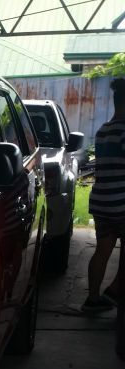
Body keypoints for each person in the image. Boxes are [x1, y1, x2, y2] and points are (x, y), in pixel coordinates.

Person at [83, 78, 125, 313]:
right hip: (120, 203)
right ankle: (115, 290)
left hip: (101, 200)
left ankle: (93, 299)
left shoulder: (103, 130)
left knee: (103, 250)